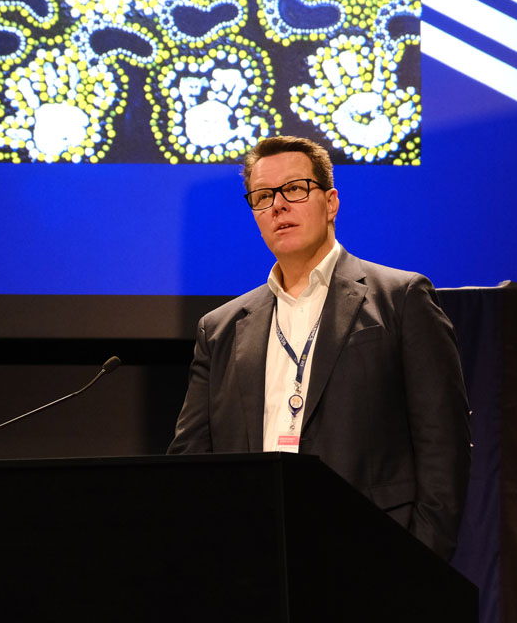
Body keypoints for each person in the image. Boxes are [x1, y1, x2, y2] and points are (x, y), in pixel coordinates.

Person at [168, 135, 470, 561]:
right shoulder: (221, 328)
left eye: (294, 189)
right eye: (262, 196)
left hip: (372, 556)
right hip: (255, 559)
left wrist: (419, 562)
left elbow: (444, 445)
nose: (278, 206)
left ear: (330, 202)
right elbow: (191, 461)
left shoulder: (400, 298)